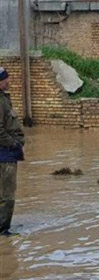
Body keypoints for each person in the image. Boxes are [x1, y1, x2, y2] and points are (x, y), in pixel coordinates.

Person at [0, 67, 25, 236]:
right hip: (5, 153)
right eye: (5, 79)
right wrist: (14, 144)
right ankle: (3, 231)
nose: (8, 81)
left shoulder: (4, 99)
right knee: (7, 195)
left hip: (7, 152)